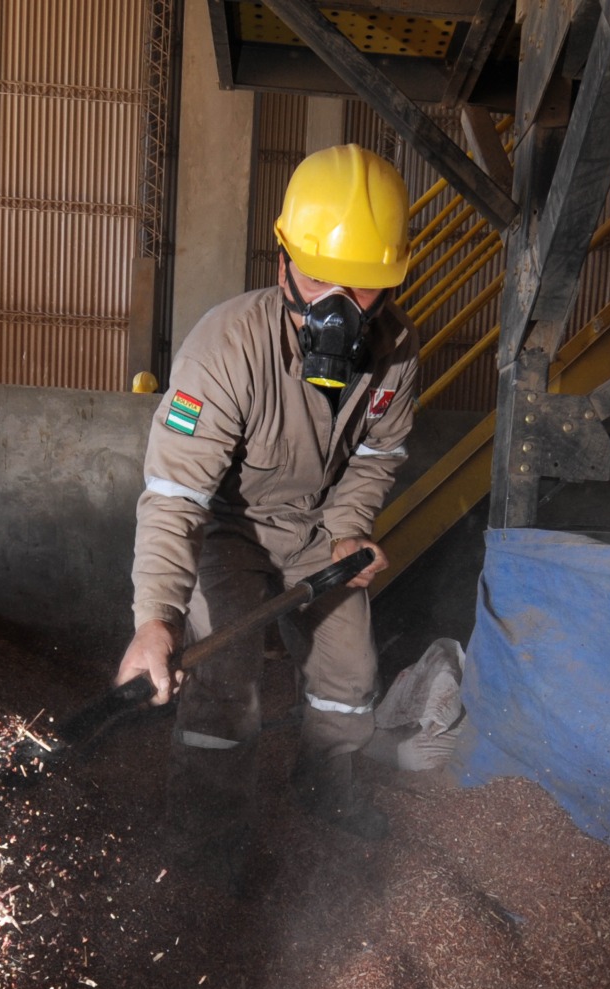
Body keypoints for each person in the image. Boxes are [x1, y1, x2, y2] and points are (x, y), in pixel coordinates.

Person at [114, 144, 420, 892]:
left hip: (318, 534)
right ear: (282, 259)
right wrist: (156, 617)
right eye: (320, 278)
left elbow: (379, 453)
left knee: (351, 675)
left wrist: (348, 528)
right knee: (224, 680)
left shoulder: (399, 351)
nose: (340, 307)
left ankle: (324, 786)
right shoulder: (226, 345)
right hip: (230, 529)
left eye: (365, 286)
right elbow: (176, 495)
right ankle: (208, 836)